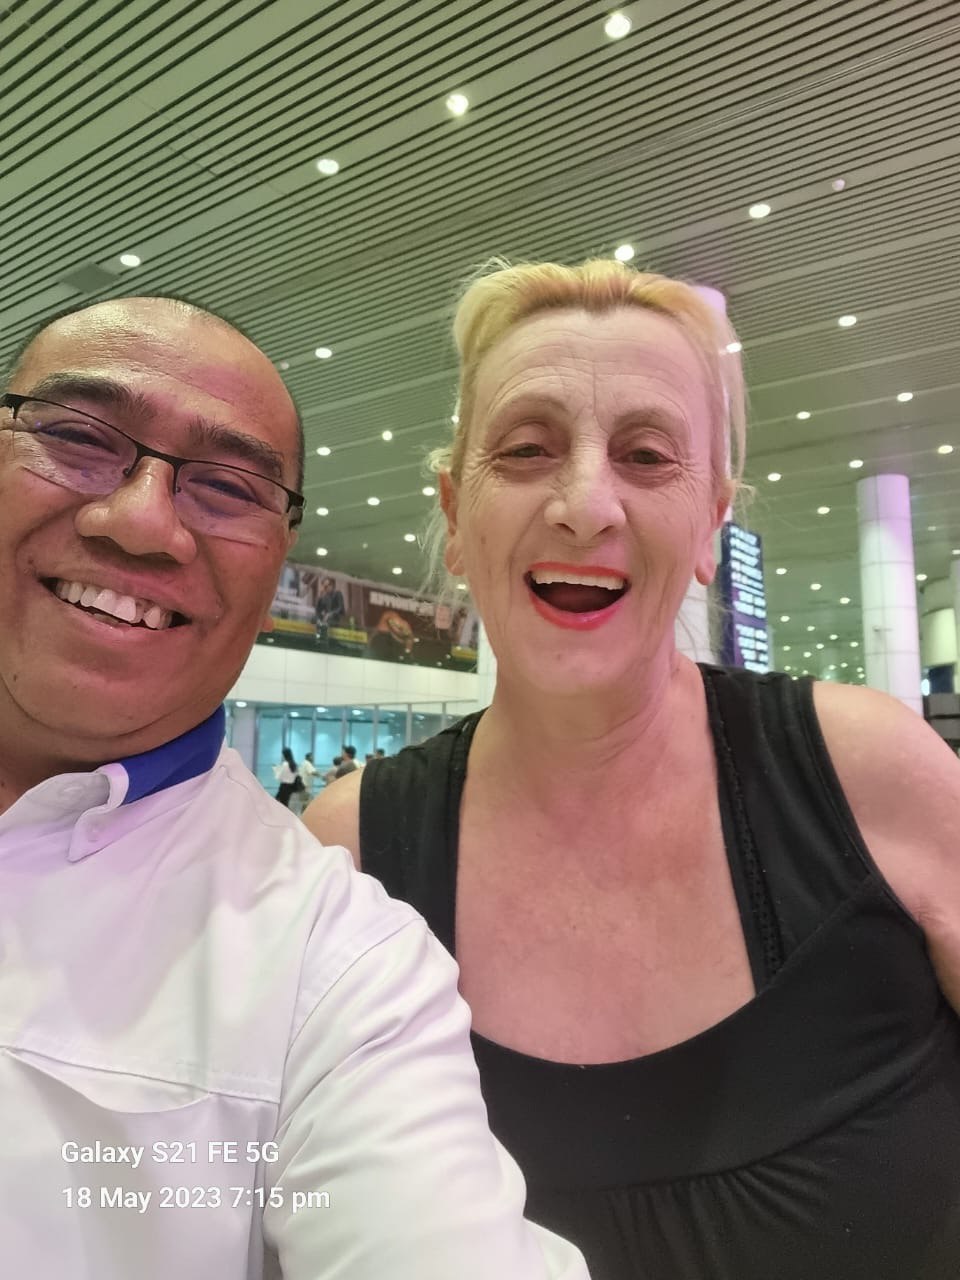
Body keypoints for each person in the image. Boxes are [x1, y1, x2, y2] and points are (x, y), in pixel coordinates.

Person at [305, 258, 960, 1280]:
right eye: (526, 449)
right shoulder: (352, 859)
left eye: (647, 456)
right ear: (456, 514)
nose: (585, 504)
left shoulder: (868, 775)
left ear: (711, 525)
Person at [0, 295, 589, 1280]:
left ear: (280, 560)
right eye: (79, 436)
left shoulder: (339, 967)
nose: (141, 521)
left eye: (228, 487)